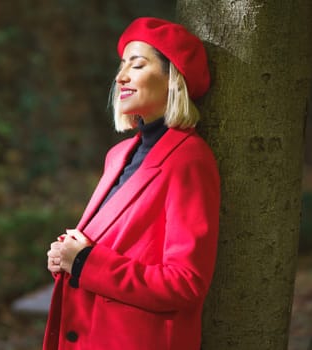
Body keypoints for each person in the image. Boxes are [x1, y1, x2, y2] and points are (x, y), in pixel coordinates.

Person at [44, 17, 220, 350]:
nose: (121, 76)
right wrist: (66, 258)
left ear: (173, 80)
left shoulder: (189, 160)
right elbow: (110, 245)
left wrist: (83, 261)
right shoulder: (119, 154)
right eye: (121, 65)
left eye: (137, 65)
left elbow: (185, 283)